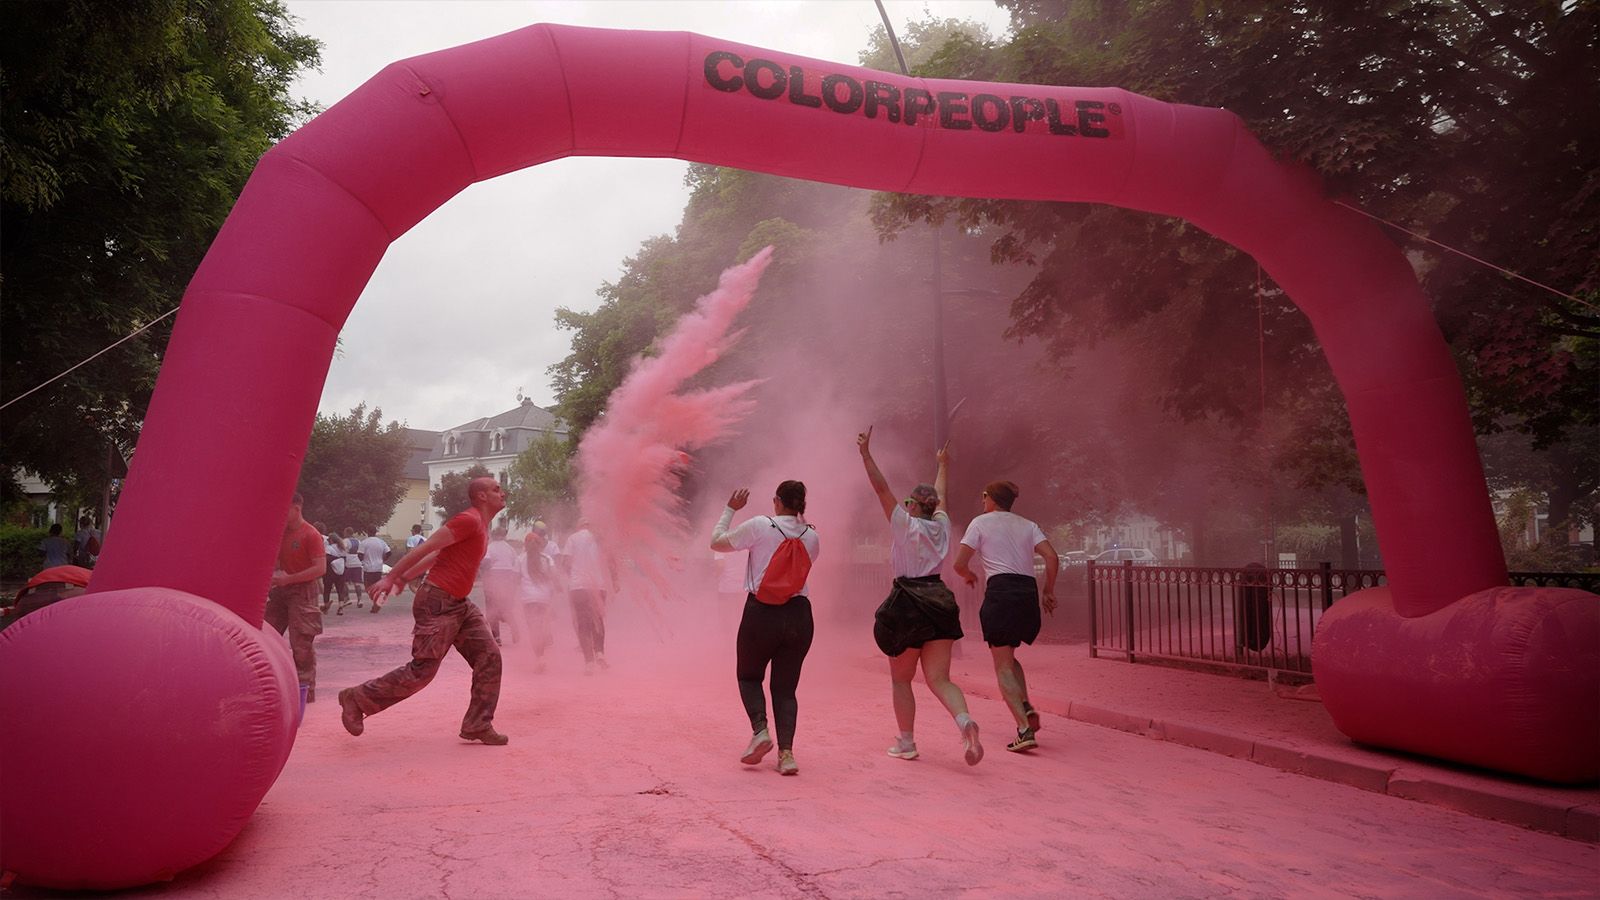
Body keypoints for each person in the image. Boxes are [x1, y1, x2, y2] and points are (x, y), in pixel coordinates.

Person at [338, 477, 509, 745]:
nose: (503, 493)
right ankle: (357, 698)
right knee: (422, 672)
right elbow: (428, 546)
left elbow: (438, 556)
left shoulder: (481, 526)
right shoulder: (468, 520)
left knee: (490, 656)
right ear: (482, 496)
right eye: (496, 489)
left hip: (459, 604)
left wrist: (405, 578)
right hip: (437, 603)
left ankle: (478, 724)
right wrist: (390, 577)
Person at [857, 429, 982, 766]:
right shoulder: (941, 525)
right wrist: (943, 465)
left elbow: (881, 488)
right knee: (940, 678)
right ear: (933, 507)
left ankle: (907, 742)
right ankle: (964, 721)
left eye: (909, 501)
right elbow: (941, 497)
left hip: (908, 603)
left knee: (901, 679)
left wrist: (866, 454)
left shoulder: (904, 524)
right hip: (939, 600)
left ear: (912, 505)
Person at [710, 480, 819, 776]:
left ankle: (760, 731)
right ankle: (787, 755)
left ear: (777, 501)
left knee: (748, 676)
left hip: (761, 613)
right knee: (786, 689)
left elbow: (717, 542)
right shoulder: (812, 536)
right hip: (799, 615)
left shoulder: (761, 525)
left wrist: (730, 509)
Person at [954, 480, 1058, 753]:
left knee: (1001, 666)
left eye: (983, 496)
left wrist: (968, 575)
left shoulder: (980, 523)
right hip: (1027, 593)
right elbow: (1052, 557)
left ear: (990, 498)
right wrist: (1048, 590)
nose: (982, 501)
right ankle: (1024, 705)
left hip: (1001, 592)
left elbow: (959, 563)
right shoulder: (1028, 525)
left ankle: (1024, 729)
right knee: (1009, 657)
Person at [264, 494, 327, 702]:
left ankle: (305, 691)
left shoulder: (311, 534)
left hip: (303, 591)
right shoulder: (282, 533)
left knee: (301, 643)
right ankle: (269, 683)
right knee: (266, 633)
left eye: (285, 509)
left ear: (296, 509)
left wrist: (289, 579)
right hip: (281, 590)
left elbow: (320, 568)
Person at [563, 518, 617, 673]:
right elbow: (611, 562)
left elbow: (566, 563)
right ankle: (600, 653)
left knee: (583, 625)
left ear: (579, 526)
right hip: (598, 587)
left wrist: (572, 576)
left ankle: (589, 662)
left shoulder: (572, 539)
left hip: (578, 587)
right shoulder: (600, 539)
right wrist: (615, 582)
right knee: (598, 621)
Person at [520, 522, 559, 670]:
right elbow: (555, 577)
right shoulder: (547, 558)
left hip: (528, 599)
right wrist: (557, 589)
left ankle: (540, 657)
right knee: (542, 625)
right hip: (544, 598)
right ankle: (545, 642)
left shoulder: (520, 558)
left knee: (533, 628)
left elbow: (514, 578)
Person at [480, 524, 522, 646]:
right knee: (506, 608)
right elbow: (515, 564)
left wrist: (481, 570)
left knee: (492, 609)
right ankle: (514, 627)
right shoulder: (510, 549)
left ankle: (497, 638)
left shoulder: (490, 547)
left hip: (493, 578)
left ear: (493, 536)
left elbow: (486, 563)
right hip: (508, 579)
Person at [322, 531, 351, 613]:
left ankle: (326, 606)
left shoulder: (329, 548)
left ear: (331, 540)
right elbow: (345, 559)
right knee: (340, 589)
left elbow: (326, 559)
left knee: (327, 589)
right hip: (341, 571)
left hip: (330, 571)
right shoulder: (342, 548)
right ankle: (340, 607)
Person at [342, 528, 365, 608]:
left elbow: (342, 550)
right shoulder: (358, 541)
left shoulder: (345, 541)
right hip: (357, 564)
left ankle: (347, 598)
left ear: (347, 533)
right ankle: (360, 600)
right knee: (357, 584)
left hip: (348, 564)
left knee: (343, 582)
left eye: (344, 532)